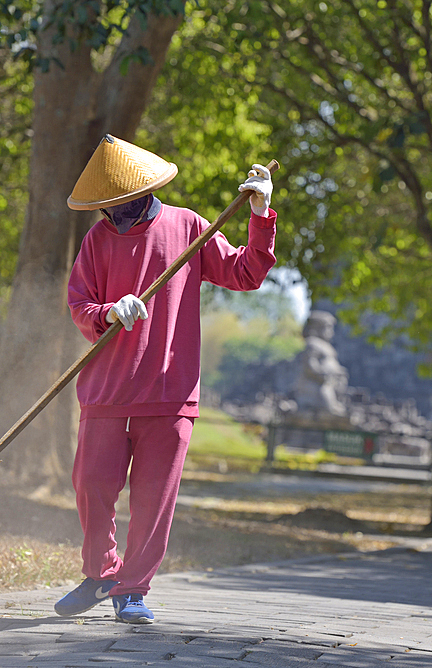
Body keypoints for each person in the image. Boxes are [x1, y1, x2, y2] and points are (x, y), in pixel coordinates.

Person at [54, 135, 276, 624]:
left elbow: (245, 273)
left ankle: (132, 590)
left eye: (119, 204)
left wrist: (261, 214)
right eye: (104, 207)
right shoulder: (97, 239)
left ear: (143, 190)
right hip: (107, 391)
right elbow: (79, 304)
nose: (112, 214)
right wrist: (109, 312)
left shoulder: (189, 226)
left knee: (154, 498)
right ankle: (101, 574)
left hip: (168, 391)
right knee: (92, 486)